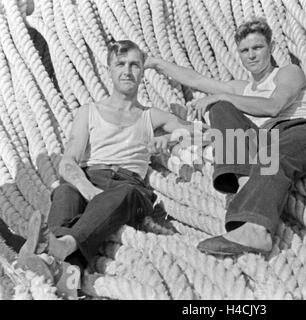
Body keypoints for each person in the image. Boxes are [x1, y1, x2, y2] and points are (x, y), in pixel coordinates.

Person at [145, 18, 306, 256]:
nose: (251, 55)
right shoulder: (241, 89)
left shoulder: (288, 72)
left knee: (268, 151)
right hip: (270, 141)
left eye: (257, 47)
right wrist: (155, 63)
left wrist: (221, 97)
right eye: (245, 50)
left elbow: (274, 106)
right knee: (220, 110)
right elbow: (195, 80)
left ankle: (256, 231)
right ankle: (245, 180)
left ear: (271, 48)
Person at [18, 40, 197, 291]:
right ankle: (65, 274)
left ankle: (58, 245)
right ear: (110, 70)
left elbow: (196, 132)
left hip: (128, 187)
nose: (127, 71)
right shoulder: (88, 112)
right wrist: (88, 189)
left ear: (143, 70)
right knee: (65, 191)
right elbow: (67, 162)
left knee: (123, 193)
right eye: (120, 64)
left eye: (135, 65)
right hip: (90, 178)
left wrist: (170, 138)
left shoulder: (151, 116)